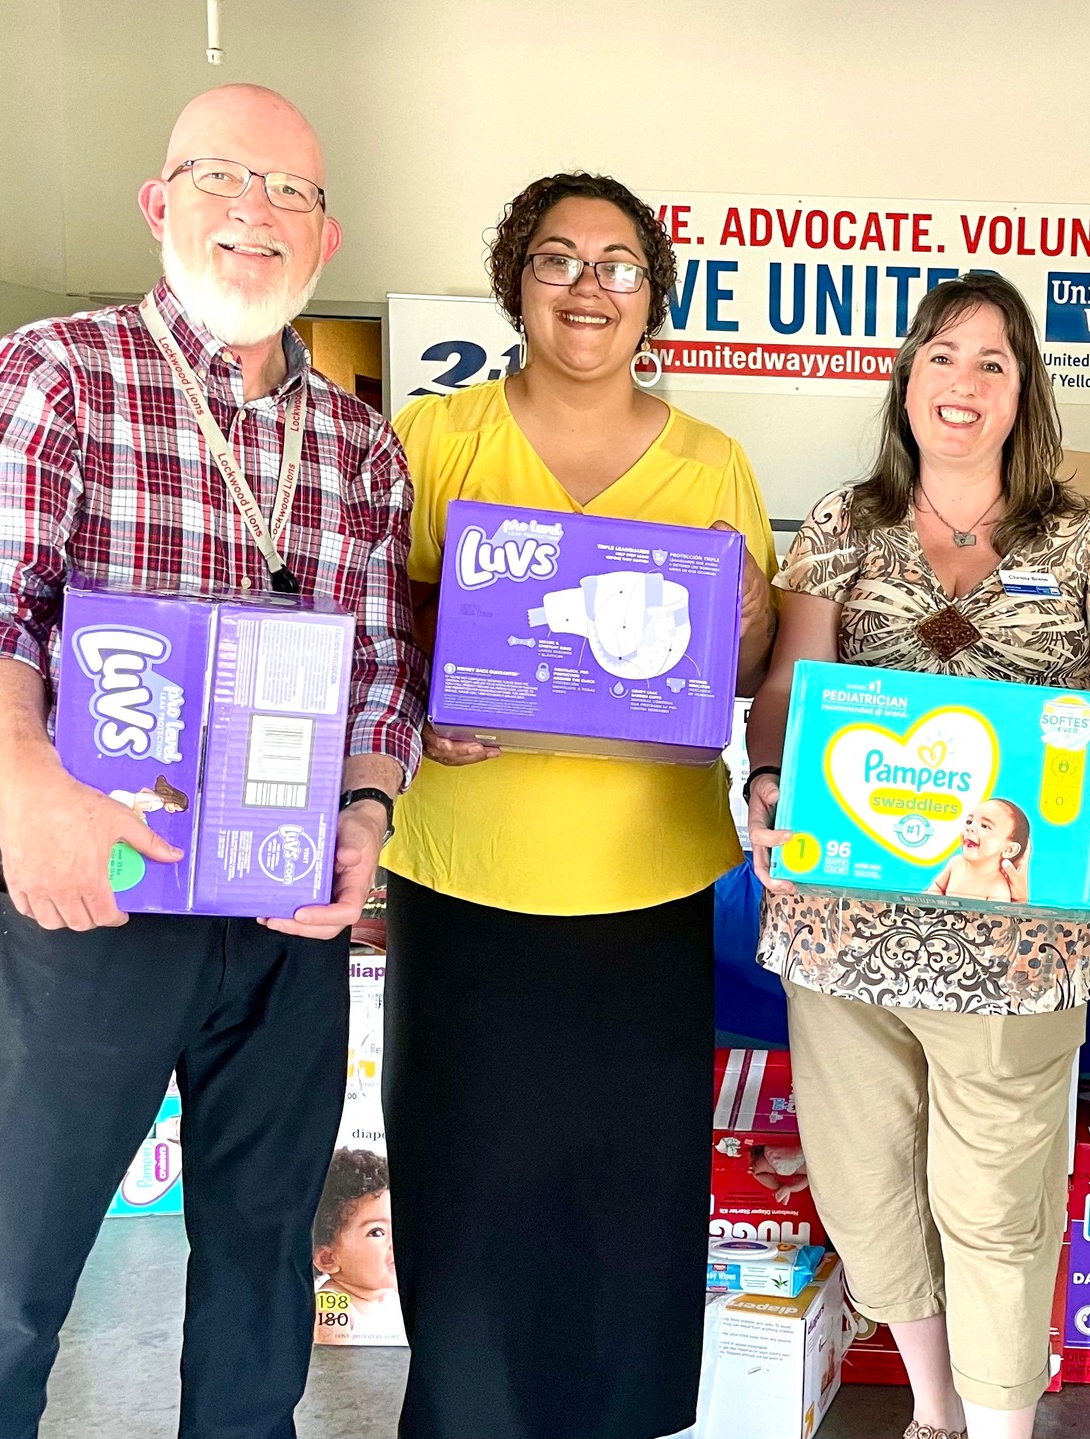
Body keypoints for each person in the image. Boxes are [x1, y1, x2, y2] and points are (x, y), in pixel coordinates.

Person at [0, 84, 422, 1439]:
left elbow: (380, 675)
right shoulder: (58, 372)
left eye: (288, 193)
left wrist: (365, 818)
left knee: (260, 1266)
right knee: (15, 1265)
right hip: (102, 897)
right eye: (218, 179)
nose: (252, 213)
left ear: (326, 235)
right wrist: (27, 787)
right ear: (159, 203)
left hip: (286, 917)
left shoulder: (365, 445)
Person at [380, 170, 777, 1439]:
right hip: (464, 877)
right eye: (556, 259)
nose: (587, 285)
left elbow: (757, 660)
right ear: (515, 283)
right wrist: (424, 677)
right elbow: (371, 620)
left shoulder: (712, 462)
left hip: (643, 887)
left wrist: (749, 623)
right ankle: (465, 1413)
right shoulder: (433, 437)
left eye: (616, 263)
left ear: (654, 292)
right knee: (468, 1183)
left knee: (627, 1197)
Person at [747, 273, 1090, 1439]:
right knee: (869, 1190)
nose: (961, 380)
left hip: (1016, 933)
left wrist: (1075, 754)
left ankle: (1001, 1425)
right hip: (842, 925)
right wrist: (771, 782)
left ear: (1023, 386)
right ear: (905, 377)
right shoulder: (842, 523)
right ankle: (934, 1414)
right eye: (940, 354)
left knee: (993, 1202)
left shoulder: (1089, 535)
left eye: (990, 359)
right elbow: (789, 681)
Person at [312, 1148, 403, 1345]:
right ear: (328, 1259)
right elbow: (337, 1371)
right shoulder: (332, 1305)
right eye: (377, 1232)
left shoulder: (392, 1296)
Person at [927, 799, 1032, 901]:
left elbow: (996, 918)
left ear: (1009, 849)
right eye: (969, 822)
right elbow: (938, 887)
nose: (970, 828)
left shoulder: (997, 887)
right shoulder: (956, 863)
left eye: (985, 826)